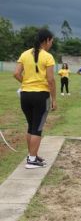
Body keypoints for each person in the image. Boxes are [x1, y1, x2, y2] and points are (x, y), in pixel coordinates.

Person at [13, 28, 56, 169]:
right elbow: (50, 80)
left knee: (31, 126)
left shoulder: (25, 54)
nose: (52, 43)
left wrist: (26, 83)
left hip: (25, 95)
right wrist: (54, 99)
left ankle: (32, 155)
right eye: (51, 41)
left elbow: (16, 73)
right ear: (47, 40)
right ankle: (31, 160)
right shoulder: (48, 57)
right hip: (41, 95)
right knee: (37, 128)